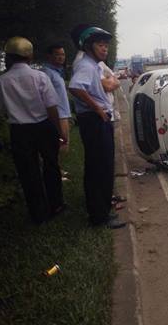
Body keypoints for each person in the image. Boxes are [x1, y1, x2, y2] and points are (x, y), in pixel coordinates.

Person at [0, 37, 66, 223]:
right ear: (29, 56)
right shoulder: (40, 77)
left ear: (9, 57)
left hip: (19, 131)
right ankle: (56, 204)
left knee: (28, 172)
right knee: (51, 166)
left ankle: (38, 213)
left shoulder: (2, 81)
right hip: (44, 127)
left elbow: (2, 110)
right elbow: (52, 106)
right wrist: (57, 129)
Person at [68, 26, 125, 229]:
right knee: (99, 168)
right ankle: (99, 216)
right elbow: (75, 87)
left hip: (96, 120)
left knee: (101, 166)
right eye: (101, 45)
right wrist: (98, 109)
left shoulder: (92, 65)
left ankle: (101, 210)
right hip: (94, 121)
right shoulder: (86, 66)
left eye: (106, 46)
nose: (105, 49)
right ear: (90, 47)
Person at [41, 44, 72, 155]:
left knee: (62, 144)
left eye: (62, 54)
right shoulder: (46, 72)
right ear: (49, 56)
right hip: (57, 115)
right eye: (57, 54)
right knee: (59, 144)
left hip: (63, 113)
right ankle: (55, 169)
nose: (61, 57)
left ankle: (57, 169)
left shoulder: (57, 72)